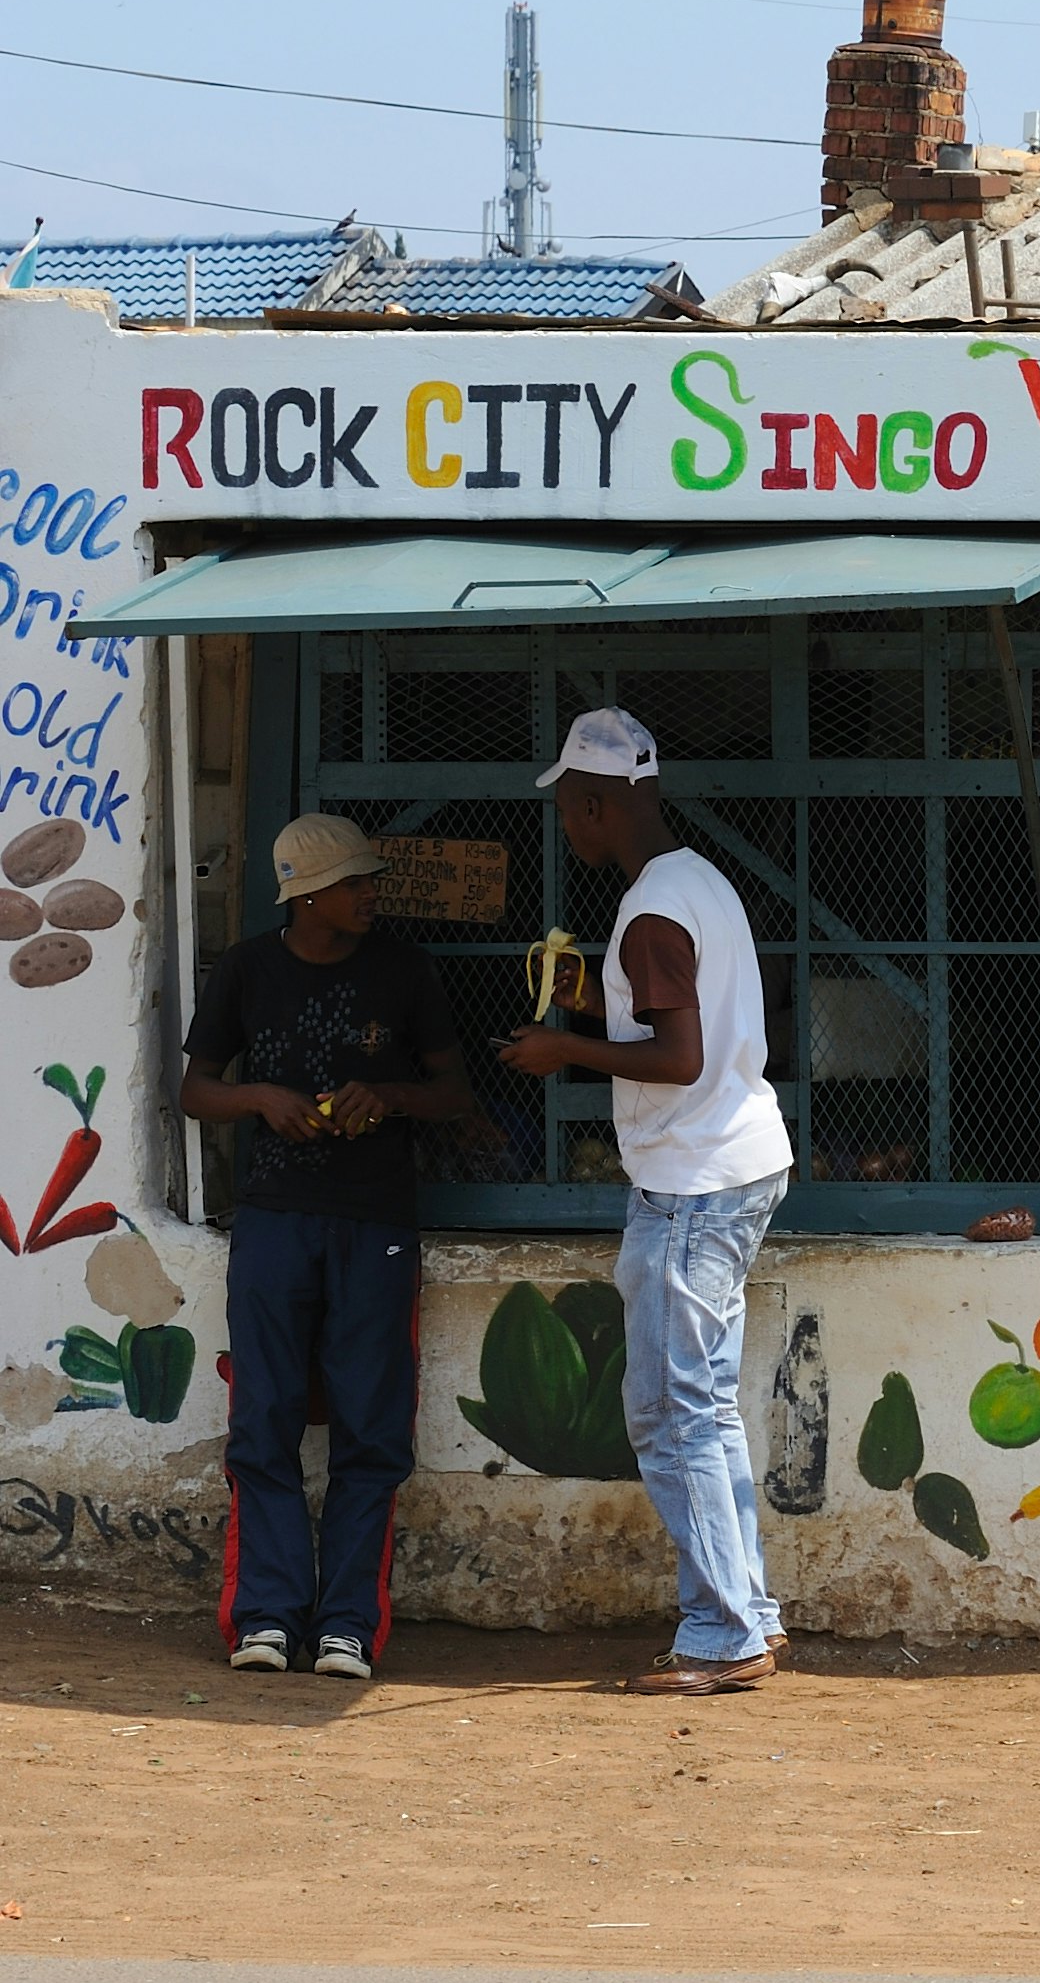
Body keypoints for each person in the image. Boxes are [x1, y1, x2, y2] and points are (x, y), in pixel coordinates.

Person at [491, 708, 798, 1695]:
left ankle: (723, 1635)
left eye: (569, 808)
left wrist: (561, 1048)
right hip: (731, 1165)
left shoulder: (653, 911)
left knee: (673, 1416)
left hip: (691, 1185)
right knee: (699, 1409)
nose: (565, 825)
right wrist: (595, 1004)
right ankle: (744, 1613)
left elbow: (678, 1057)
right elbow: (681, 1022)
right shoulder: (697, 882)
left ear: (594, 804)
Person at [179, 814, 472, 1681]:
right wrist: (262, 1099)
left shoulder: (405, 970)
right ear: (305, 896)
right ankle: (266, 1617)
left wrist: (388, 1096)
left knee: (371, 1428)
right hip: (274, 1218)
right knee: (263, 1417)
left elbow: (454, 1093)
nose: (371, 892)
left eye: (369, 879)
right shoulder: (247, 969)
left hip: (376, 1222)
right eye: (354, 883)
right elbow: (195, 1090)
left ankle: (347, 1624)